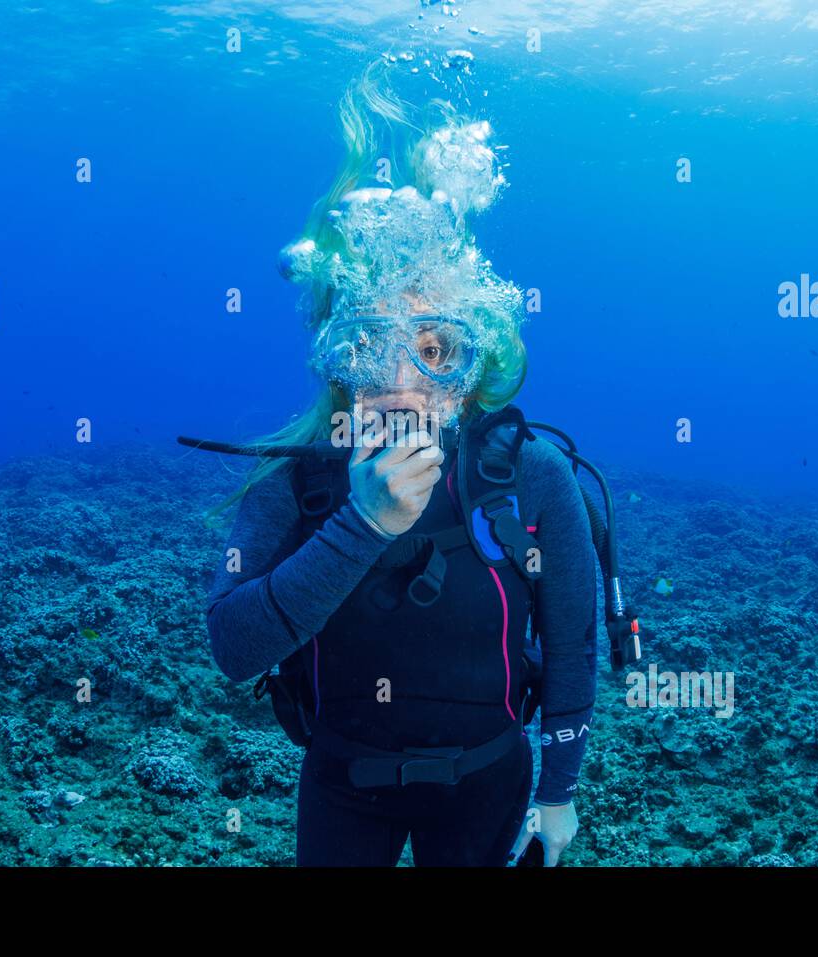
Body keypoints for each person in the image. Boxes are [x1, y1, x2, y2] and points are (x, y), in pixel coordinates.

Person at [204, 66, 599, 867]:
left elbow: (571, 640)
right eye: (368, 348)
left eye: (435, 350)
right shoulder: (300, 481)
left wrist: (556, 794)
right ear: (337, 361)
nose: (402, 383)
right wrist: (361, 525)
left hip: (490, 781)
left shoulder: (530, 475)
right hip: (344, 783)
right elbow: (233, 645)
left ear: (472, 365)